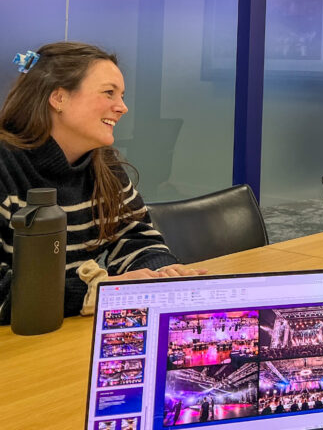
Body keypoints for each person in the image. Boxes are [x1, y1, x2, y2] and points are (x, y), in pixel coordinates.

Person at [0, 42, 203, 323]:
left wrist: (160, 274)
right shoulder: (6, 167)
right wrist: (98, 292)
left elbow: (134, 235)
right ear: (58, 98)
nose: (122, 108)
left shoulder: (103, 163)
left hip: (71, 330)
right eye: (109, 93)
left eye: (121, 95)